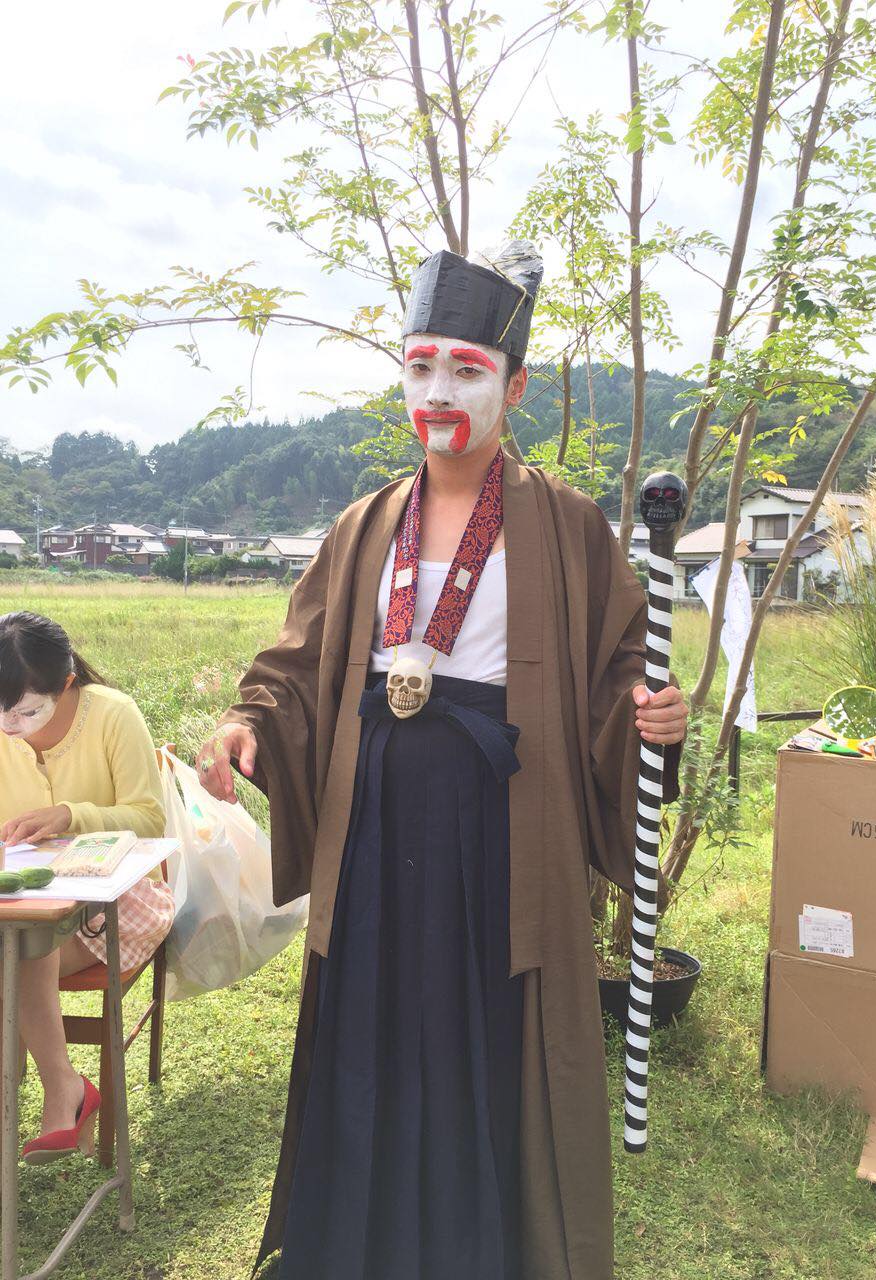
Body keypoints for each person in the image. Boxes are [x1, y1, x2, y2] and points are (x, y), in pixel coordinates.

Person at [196, 241, 688, 1280]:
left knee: (482, 1022)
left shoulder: (565, 524)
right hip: (371, 814)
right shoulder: (365, 522)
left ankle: (481, 1245)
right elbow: (298, 660)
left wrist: (649, 715)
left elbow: (620, 667)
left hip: (499, 817)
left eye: (466, 370)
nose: (438, 393)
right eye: (420, 366)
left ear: (516, 386)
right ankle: (357, 1244)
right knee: (372, 1014)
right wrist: (253, 722)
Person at [0, 612, 173, 1163]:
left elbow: (150, 820)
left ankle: (62, 1091)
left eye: (27, 711)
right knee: (18, 942)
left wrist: (71, 816)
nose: (10, 725)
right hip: (24, 899)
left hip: (121, 897)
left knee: (22, 951)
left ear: (67, 682)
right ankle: (53, 1093)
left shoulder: (114, 715)